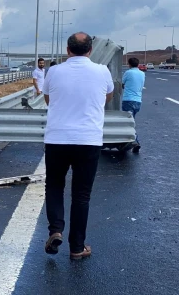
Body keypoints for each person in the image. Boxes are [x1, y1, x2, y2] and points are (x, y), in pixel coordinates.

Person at [41, 32, 114, 260]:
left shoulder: (54, 71)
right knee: (82, 195)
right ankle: (77, 248)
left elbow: (48, 99)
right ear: (90, 50)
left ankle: (56, 230)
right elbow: (107, 98)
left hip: (57, 139)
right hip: (88, 140)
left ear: (67, 50)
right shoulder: (102, 71)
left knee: (54, 187)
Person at [122, 57, 145, 153]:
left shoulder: (128, 73)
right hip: (138, 101)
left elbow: (123, 84)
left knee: (128, 123)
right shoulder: (142, 73)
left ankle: (134, 142)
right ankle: (128, 142)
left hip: (128, 100)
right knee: (132, 121)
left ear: (129, 64)